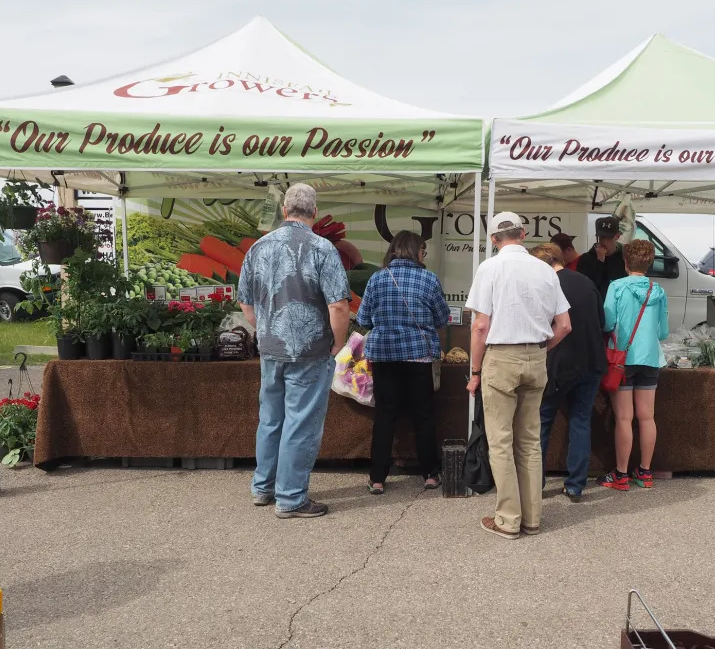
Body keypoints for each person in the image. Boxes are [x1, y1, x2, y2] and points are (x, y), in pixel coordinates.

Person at [238, 183, 351, 519]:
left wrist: (268, 329)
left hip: (271, 349)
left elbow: (245, 303)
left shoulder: (257, 247)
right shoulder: (322, 248)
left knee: (271, 419)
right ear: (313, 213)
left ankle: (263, 488)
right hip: (310, 351)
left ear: (285, 210)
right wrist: (338, 343)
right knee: (300, 423)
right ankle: (290, 498)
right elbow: (339, 307)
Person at [466, 212, 572, 539]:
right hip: (536, 356)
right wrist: (541, 348)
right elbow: (565, 325)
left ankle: (508, 519)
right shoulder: (545, 269)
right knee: (529, 442)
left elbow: (481, 325)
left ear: (494, 239)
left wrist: (475, 371)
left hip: (501, 356)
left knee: (500, 441)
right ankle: (532, 518)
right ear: (523, 234)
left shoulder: (490, 268)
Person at [356, 230, 450, 494]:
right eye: (423, 250)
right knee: (423, 415)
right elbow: (442, 318)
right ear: (416, 251)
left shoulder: (377, 278)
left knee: (385, 415)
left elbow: (363, 320)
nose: (424, 255)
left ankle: (377, 478)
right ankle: (430, 474)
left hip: (384, 356)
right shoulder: (428, 279)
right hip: (418, 355)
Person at [528, 243, 605, 502]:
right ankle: (575, 486)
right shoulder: (586, 282)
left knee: (542, 423)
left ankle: (534, 485)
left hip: (557, 364)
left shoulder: (545, 284)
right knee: (580, 421)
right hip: (591, 361)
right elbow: (602, 322)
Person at [597, 239, 669, 491]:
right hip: (651, 359)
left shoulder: (616, 287)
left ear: (625, 262)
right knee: (647, 417)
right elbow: (663, 333)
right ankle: (646, 472)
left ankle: (621, 474)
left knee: (624, 418)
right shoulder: (657, 290)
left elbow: (606, 324)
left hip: (622, 361)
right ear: (649, 263)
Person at [576, 215, 627, 300]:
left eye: (608, 237)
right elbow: (586, 288)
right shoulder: (586, 259)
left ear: (617, 236)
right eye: (602, 237)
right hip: (596, 307)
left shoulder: (624, 258)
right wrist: (599, 262)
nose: (604, 241)